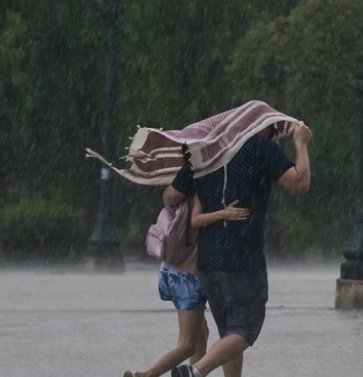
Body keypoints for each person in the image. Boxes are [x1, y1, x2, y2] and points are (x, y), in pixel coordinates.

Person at [162, 121, 312, 377]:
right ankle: (196, 372)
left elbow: (170, 197)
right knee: (245, 329)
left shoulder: (206, 152)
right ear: (263, 128)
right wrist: (301, 143)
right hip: (243, 258)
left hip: (208, 260)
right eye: (273, 130)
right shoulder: (260, 147)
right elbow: (300, 183)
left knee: (228, 336)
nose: (275, 136)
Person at [125, 158, 250, 377]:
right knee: (188, 344)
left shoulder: (186, 186)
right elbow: (195, 220)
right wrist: (224, 214)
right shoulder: (205, 188)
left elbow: (170, 197)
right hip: (188, 277)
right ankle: (145, 375)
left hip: (172, 270)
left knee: (201, 333)